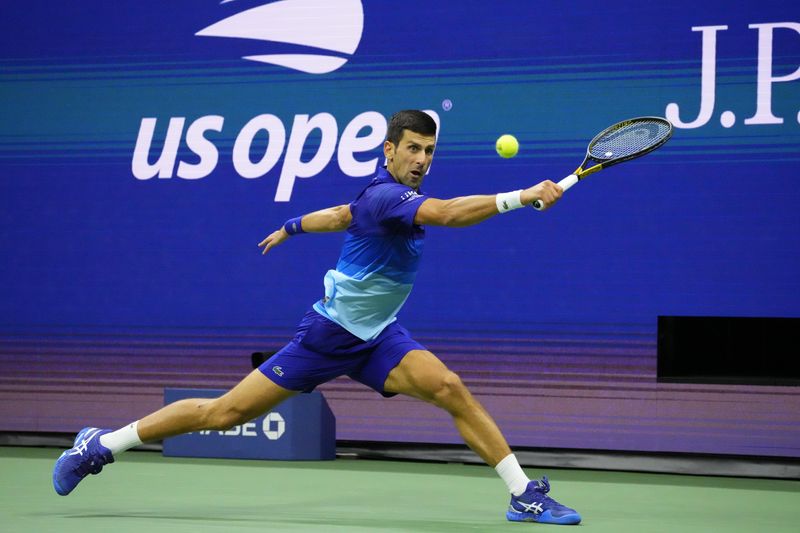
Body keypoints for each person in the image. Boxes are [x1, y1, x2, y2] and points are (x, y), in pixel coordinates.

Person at [52, 110, 580, 525]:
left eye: (430, 151)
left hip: (378, 339)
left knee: (449, 387)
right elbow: (446, 214)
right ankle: (100, 445)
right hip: (328, 338)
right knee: (224, 414)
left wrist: (292, 226)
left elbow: (342, 215)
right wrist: (522, 196)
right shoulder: (388, 196)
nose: (422, 160)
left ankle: (522, 495)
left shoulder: (374, 199)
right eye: (413, 150)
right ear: (389, 150)